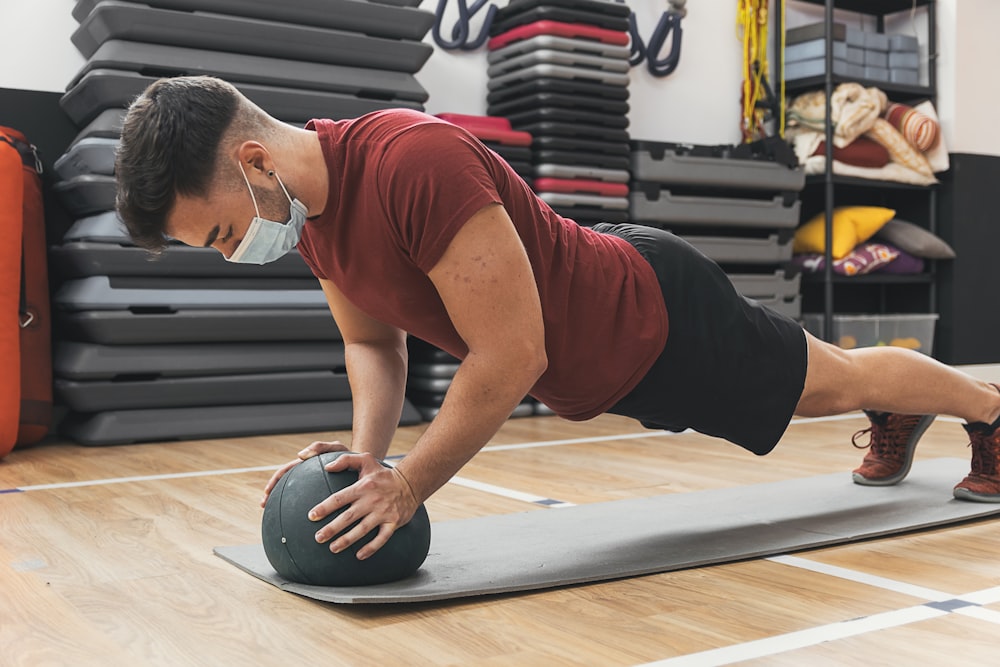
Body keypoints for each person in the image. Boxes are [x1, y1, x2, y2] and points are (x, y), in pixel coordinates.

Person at [114, 76, 1000, 562]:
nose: (237, 252)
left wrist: (410, 484)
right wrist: (370, 456)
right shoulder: (307, 222)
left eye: (227, 232)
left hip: (654, 319)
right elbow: (369, 341)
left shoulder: (410, 161)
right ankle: (903, 411)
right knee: (829, 385)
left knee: (831, 384)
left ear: (256, 160)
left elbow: (512, 352)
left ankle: (986, 411)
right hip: (606, 348)